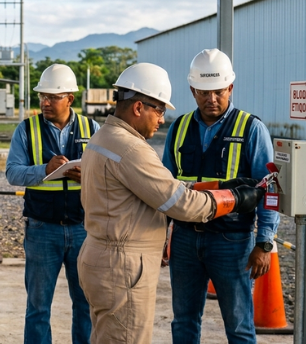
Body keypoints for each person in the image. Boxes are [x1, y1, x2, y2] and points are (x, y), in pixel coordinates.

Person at [76, 62, 266, 344]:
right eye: (159, 110)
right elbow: (179, 202)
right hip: (123, 264)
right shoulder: (131, 148)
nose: (162, 119)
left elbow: (165, 185)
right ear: (139, 108)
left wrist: (217, 187)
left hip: (104, 257)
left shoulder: (103, 137)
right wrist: (234, 198)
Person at [163, 49, 276, 344]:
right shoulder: (179, 128)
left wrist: (264, 242)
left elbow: (270, 188)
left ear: (230, 88)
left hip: (232, 241)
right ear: (192, 90)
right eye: (203, 92)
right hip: (185, 239)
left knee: (238, 326)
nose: (211, 99)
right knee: (184, 321)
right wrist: (162, 235)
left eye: (218, 91)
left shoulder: (251, 129)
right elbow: (164, 186)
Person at [5, 64, 97, 343]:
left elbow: (109, 170)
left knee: (85, 305)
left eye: (52, 97)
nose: (45, 102)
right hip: (42, 229)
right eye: (42, 96)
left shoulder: (92, 128)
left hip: (82, 229)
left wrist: (88, 175)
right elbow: (12, 173)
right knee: (37, 308)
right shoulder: (26, 130)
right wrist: (44, 169)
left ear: (69, 98)